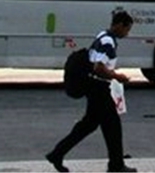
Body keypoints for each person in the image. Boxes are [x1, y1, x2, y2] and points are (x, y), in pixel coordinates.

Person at [46, 11, 137, 173]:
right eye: (127, 29)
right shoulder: (108, 41)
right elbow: (98, 68)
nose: (127, 33)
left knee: (87, 125)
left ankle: (57, 153)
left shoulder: (102, 35)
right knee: (113, 127)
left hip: (95, 87)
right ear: (119, 25)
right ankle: (116, 165)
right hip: (98, 88)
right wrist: (117, 76)